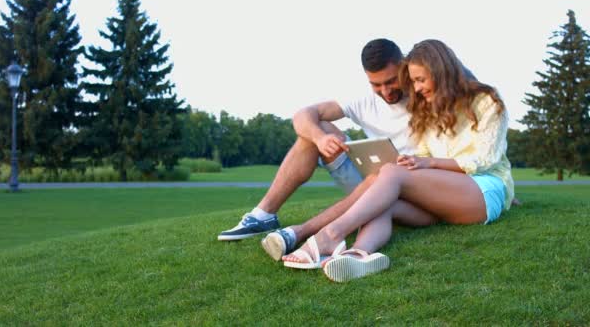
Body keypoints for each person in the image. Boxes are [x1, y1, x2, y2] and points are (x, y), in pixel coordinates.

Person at [282, 39, 515, 282]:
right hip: (444, 196)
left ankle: (330, 235)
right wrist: (416, 162)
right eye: (413, 81)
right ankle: (358, 255)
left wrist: (429, 164)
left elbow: (484, 158)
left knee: (391, 173)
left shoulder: (487, 100)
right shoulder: (427, 109)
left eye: (420, 80)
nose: (415, 87)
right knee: (385, 201)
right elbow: (425, 153)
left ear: (440, 71)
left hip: (483, 190)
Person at [217, 39, 417, 251]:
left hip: (409, 186)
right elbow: (303, 115)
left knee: (381, 176)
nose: (385, 91)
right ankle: (263, 215)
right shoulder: (364, 100)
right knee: (314, 128)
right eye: (376, 85)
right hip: (369, 179)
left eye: (391, 81)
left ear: (403, 67)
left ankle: (305, 232)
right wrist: (320, 138)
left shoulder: (425, 94)